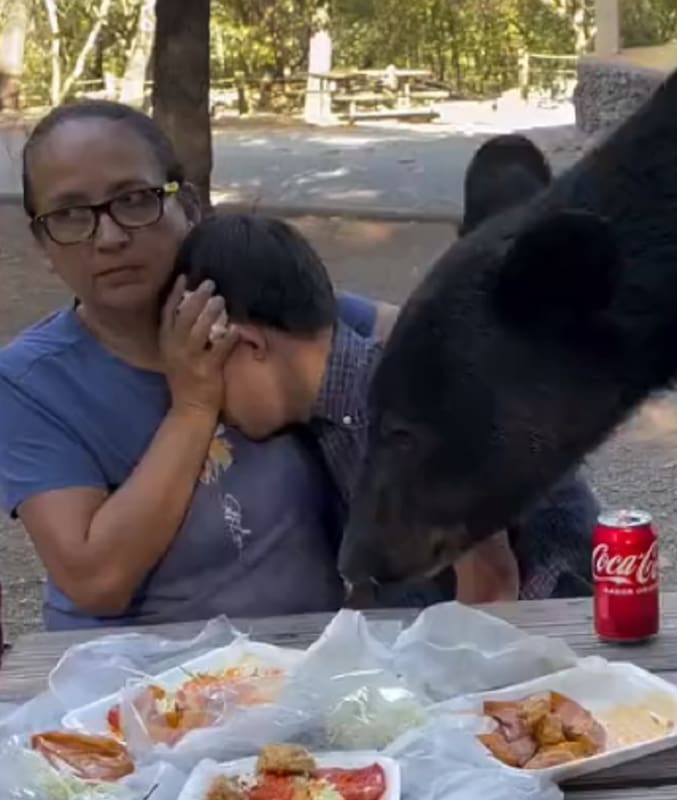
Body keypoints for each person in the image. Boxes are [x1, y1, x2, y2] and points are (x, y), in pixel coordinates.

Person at [0, 99, 393, 630]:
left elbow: (424, 338)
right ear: (44, 243)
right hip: (133, 688)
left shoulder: (257, 308)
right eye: (70, 215)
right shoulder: (31, 382)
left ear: (188, 204)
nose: (110, 237)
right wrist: (192, 404)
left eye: (134, 199)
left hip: (307, 667)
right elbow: (96, 581)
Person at [173, 212, 599, 604]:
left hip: (555, 611)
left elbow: (492, 584)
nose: (212, 402)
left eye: (208, 368)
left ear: (248, 343)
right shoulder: (330, 413)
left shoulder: (410, 410)